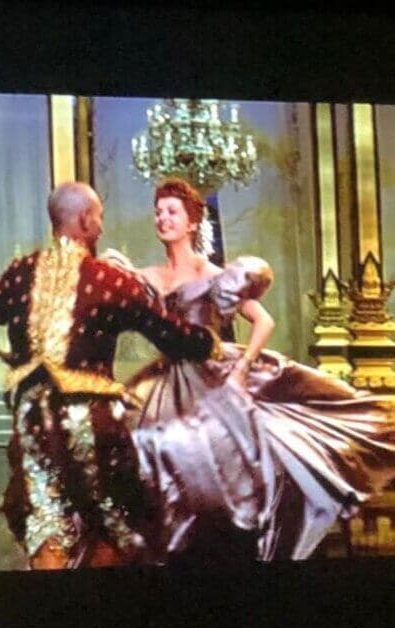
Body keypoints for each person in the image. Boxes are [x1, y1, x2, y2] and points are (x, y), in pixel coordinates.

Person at [106, 177, 395, 563]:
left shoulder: (214, 275)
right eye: (158, 212)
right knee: (139, 434)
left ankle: (235, 533)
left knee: (235, 442)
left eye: (172, 212)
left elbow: (264, 321)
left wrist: (242, 369)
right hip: (166, 378)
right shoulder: (147, 276)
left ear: (192, 222)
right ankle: (170, 538)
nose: (163, 218)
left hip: (212, 371)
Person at [0, 182, 219, 570]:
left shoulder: (22, 271)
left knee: (46, 522)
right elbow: (169, 333)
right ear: (84, 221)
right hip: (90, 418)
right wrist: (211, 343)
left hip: (31, 416)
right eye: (99, 219)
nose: (102, 228)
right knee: (119, 521)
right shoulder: (109, 281)